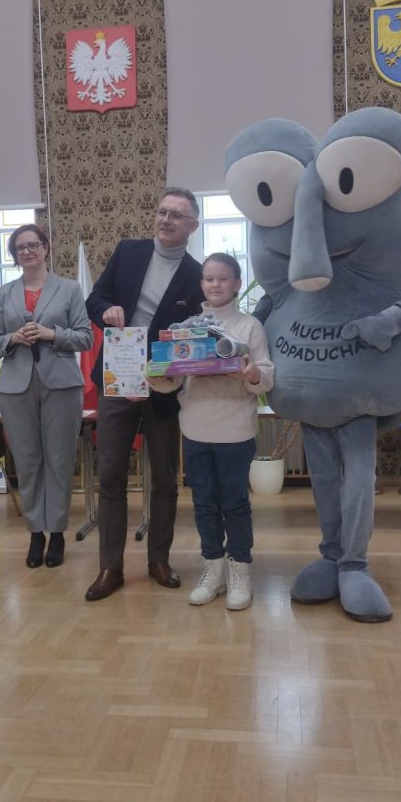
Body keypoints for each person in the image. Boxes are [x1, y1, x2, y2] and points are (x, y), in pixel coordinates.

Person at [84, 187, 203, 601]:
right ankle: (110, 568)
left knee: (166, 478)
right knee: (111, 474)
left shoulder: (196, 274)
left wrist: (159, 377)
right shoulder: (128, 252)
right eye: (162, 211)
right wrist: (106, 311)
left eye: (176, 215)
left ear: (192, 225)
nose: (165, 219)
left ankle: (159, 560)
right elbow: (94, 299)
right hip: (116, 379)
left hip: (163, 386)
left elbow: (194, 337)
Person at [148, 253, 274, 610]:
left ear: (237, 283)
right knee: (203, 503)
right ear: (201, 284)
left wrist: (250, 373)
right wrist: (156, 374)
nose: (215, 284)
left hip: (235, 429)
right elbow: (173, 380)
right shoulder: (186, 327)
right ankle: (213, 569)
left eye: (222, 278)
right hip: (195, 427)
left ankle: (240, 570)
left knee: (235, 503)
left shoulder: (250, 327)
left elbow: (265, 375)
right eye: (208, 279)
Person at [0, 224, 93, 569]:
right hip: (16, 387)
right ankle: (36, 533)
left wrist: (51, 333)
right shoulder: (5, 294)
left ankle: (57, 532)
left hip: (61, 385)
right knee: (28, 461)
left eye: (33, 245)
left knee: (59, 460)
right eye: (20, 248)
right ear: (14, 256)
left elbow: (85, 338)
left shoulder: (70, 288)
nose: (27, 252)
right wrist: (13, 338)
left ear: (46, 248)